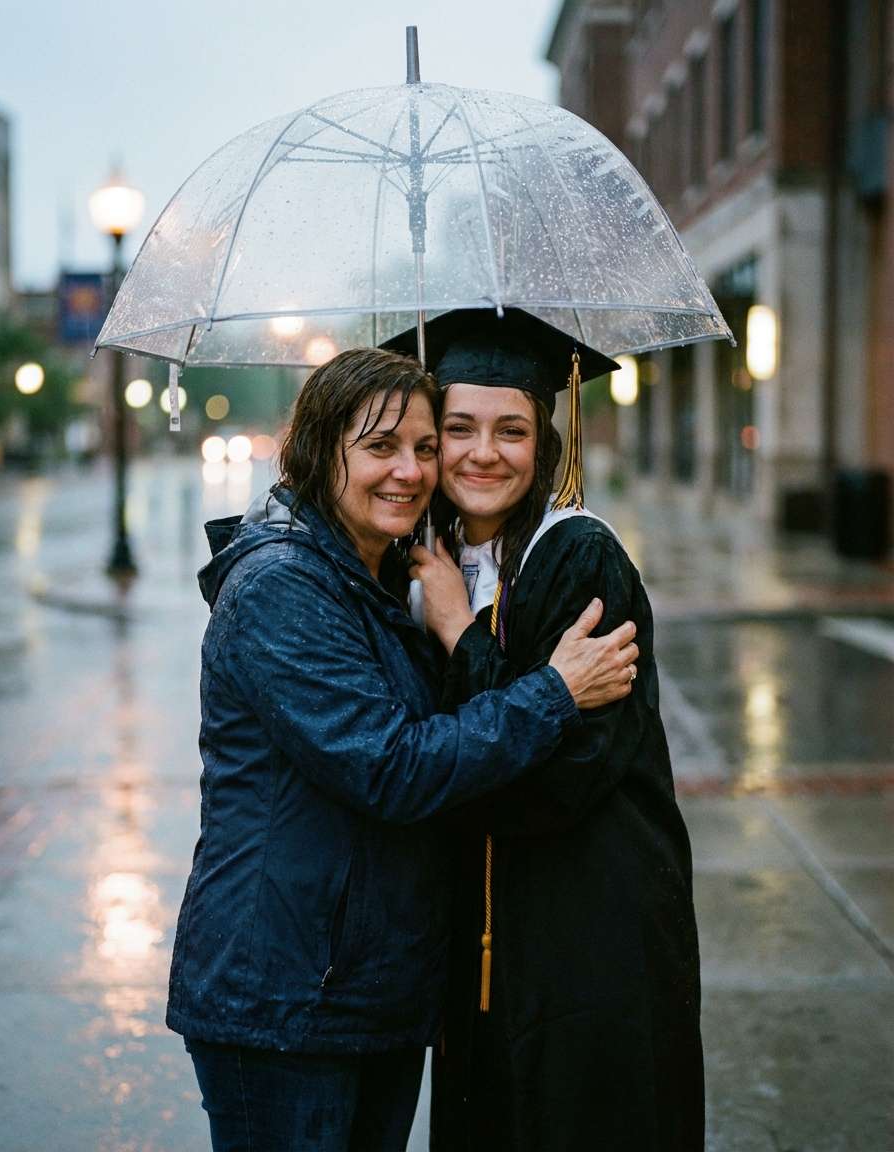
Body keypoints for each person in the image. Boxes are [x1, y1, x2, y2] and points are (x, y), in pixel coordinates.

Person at [166, 347, 639, 1152]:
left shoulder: (378, 577)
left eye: (424, 447)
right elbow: (393, 767)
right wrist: (554, 691)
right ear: (320, 450)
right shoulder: (282, 586)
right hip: (285, 1000)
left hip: (369, 994)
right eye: (381, 447)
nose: (411, 472)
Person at [400, 310, 704, 1152]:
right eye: (459, 428)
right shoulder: (429, 560)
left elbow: (553, 779)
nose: (483, 453)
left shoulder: (577, 558)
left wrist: (461, 634)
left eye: (512, 430)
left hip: (591, 927)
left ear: (546, 443)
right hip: (485, 931)